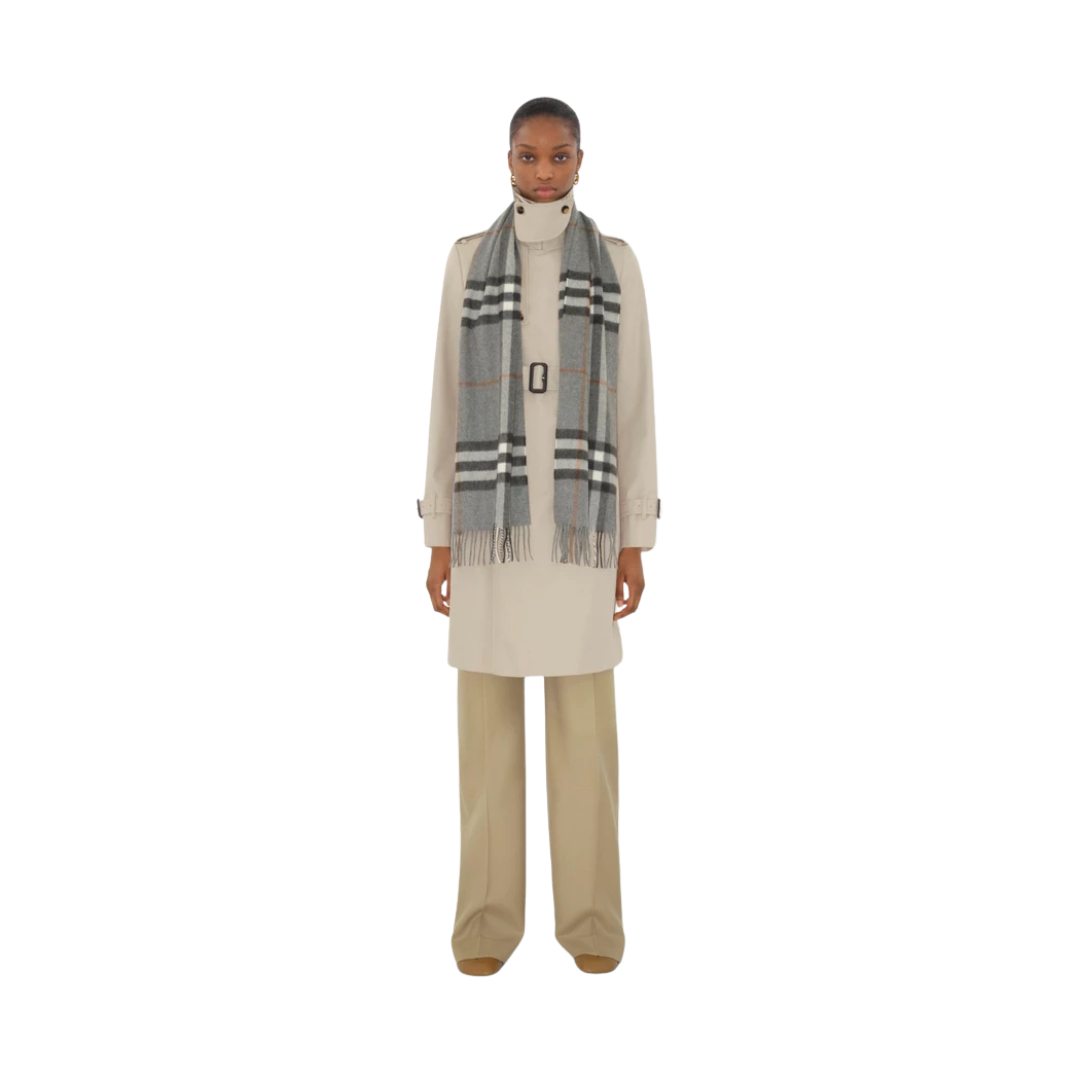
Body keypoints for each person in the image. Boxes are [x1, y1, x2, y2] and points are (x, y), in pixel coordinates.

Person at [417, 97, 660, 976]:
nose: (544, 171)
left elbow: (635, 405)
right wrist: (441, 534)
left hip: (579, 531)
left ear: (581, 162)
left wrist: (633, 536)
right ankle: (486, 926)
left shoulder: (617, 263)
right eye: (529, 155)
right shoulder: (466, 260)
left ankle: (591, 923)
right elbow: (448, 397)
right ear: (508, 160)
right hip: (493, 529)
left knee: (585, 743)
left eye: (559, 156)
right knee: (486, 747)